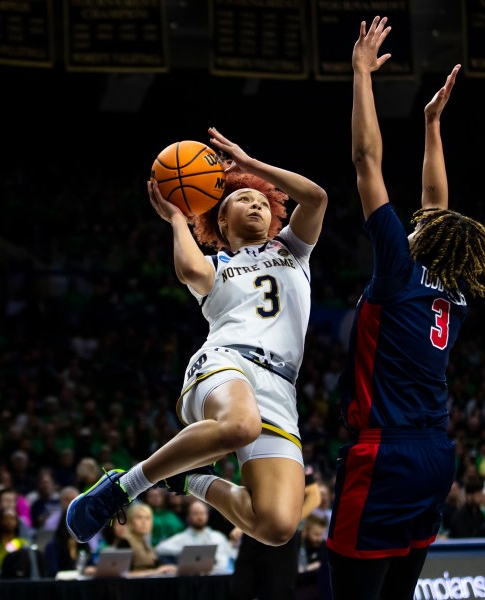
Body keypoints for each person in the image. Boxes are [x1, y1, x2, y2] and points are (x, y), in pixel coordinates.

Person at [66, 127, 328, 551]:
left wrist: (252, 166)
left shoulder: (292, 250)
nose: (257, 204)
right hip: (227, 363)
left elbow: (316, 197)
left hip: (281, 386)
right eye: (244, 199)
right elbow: (189, 272)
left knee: (277, 526)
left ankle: (189, 477)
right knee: (242, 426)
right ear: (220, 218)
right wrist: (176, 218)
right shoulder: (216, 263)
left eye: (263, 201)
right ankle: (123, 486)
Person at [325, 16, 485, 600]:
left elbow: (365, 162)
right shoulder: (451, 285)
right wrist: (431, 125)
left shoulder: (398, 271)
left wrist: (360, 73)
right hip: (435, 456)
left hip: (386, 455)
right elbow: (435, 204)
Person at [229, 466, 321, 599]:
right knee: (241, 589)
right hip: (254, 531)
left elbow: (314, 496)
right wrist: (240, 526)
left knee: (278, 592)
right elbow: (247, 494)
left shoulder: (292, 453)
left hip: (282, 537)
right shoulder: (250, 454)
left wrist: (289, 522)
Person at [109, 501, 177, 577]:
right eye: (139, 517)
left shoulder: (146, 542)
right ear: (131, 521)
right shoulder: (125, 542)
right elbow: (122, 574)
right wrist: (156, 571)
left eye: (147, 518)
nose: (144, 522)